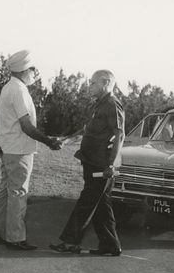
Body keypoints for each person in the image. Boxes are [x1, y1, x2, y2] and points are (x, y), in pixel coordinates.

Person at [0, 50, 61, 251]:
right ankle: (15, 238)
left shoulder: (9, 87)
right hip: (19, 150)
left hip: (10, 148)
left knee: (6, 191)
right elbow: (26, 126)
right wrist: (48, 141)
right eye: (33, 68)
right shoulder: (19, 90)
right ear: (23, 70)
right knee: (18, 192)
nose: (35, 72)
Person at [49, 70, 125, 256]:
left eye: (92, 83)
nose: (89, 86)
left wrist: (111, 165)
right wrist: (66, 140)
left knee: (87, 201)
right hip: (91, 160)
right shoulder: (99, 104)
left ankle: (70, 243)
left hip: (102, 164)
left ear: (106, 82)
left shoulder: (112, 104)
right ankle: (110, 245)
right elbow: (87, 130)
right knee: (101, 205)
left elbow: (119, 134)